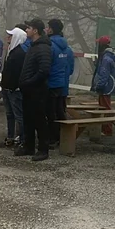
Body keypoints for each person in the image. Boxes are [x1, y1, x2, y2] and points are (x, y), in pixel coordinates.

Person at [15, 19, 52, 161]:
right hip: (28, 90)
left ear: (35, 30)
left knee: (39, 120)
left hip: (37, 91)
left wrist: (29, 82)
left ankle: (43, 150)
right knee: (28, 119)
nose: (26, 30)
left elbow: (44, 71)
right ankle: (29, 146)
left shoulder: (43, 47)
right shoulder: (33, 46)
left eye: (29, 28)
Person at [45, 18, 74, 147]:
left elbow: (46, 65)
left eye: (47, 27)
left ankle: (53, 138)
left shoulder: (50, 46)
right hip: (63, 84)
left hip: (51, 83)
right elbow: (71, 69)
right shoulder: (67, 48)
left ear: (51, 29)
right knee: (60, 110)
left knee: (51, 112)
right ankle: (62, 137)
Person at [0, 27, 27, 147]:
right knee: (10, 114)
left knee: (18, 116)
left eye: (10, 36)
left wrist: (16, 86)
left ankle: (22, 139)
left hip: (14, 90)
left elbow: (20, 73)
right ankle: (10, 137)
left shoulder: (19, 54)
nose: (8, 38)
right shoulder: (11, 51)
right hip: (7, 88)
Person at [91, 36, 115, 136]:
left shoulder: (105, 58)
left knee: (105, 108)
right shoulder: (109, 56)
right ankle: (105, 128)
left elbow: (104, 74)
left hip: (105, 86)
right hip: (108, 86)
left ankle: (107, 130)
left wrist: (99, 86)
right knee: (104, 107)